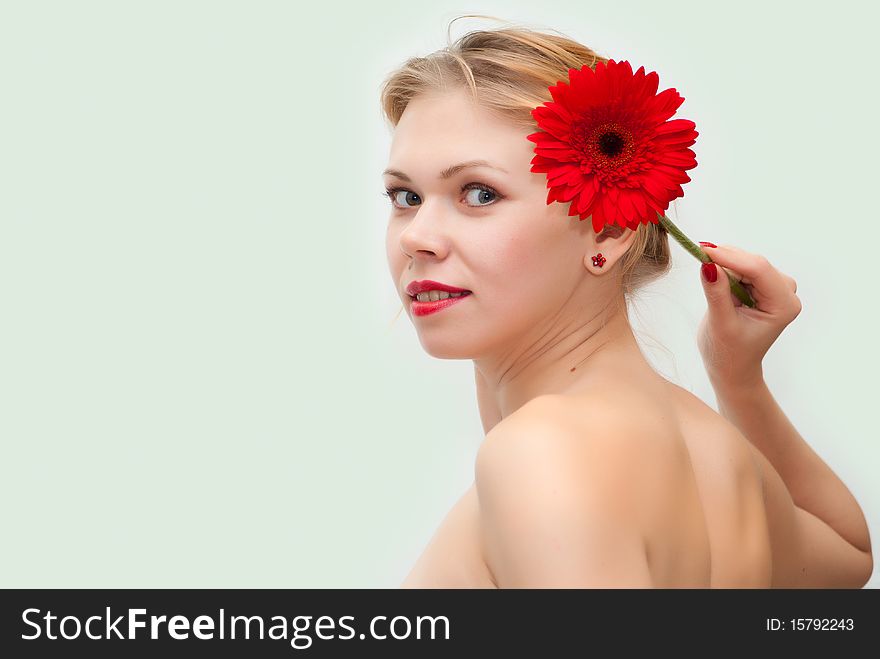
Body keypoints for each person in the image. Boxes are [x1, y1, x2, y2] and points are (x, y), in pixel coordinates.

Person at [379, 19, 873, 588]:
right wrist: (739, 380)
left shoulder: (539, 458)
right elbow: (847, 553)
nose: (417, 236)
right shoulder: (719, 451)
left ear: (609, 230)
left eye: (479, 193)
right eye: (405, 197)